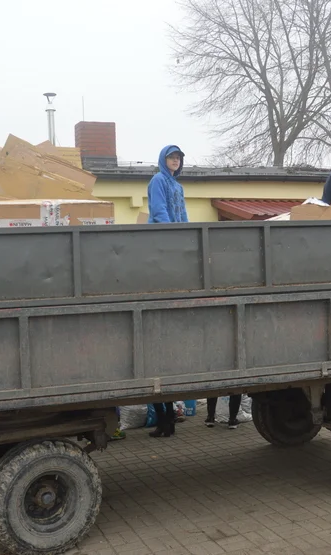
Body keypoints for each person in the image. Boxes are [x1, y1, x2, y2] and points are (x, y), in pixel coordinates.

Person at [146, 144, 188, 437]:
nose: (175, 161)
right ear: (163, 160)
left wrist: (187, 238)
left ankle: (168, 423)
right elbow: (160, 212)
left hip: (176, 241)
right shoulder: (158, 181)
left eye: (178, 158)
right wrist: (172, 237)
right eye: (172, 157)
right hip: (161, 242)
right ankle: (164, 422)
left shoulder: (178, 185)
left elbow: (181, 213)